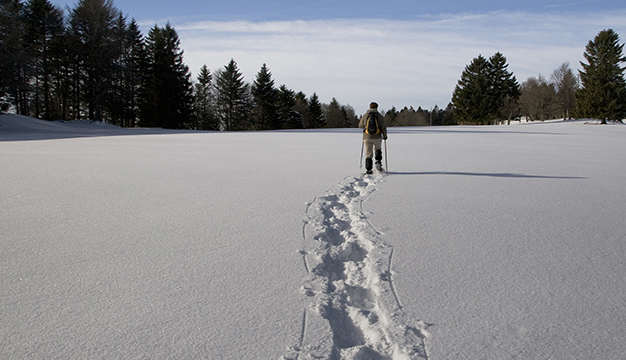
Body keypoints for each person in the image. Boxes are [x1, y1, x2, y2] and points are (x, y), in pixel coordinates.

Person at [358, 102, 387, 174]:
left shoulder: (365, 116)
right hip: (377, 136)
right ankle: (378, 162)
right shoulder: (380, 116)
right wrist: (385, 136)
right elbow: (383, 127)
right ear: (377, 107)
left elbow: (360, 125)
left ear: (369, 107)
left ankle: (369, 169)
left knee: (368, 153)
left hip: (367, 137)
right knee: (378, 149)